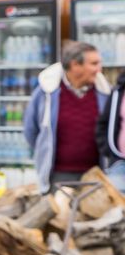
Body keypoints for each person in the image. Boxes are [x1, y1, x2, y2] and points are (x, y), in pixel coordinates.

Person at [23, 41, 110, 193]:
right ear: (75, 65)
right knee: (61, 216)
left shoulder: (104, 93)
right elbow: (31, 131)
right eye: (94, 64)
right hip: (58, 177)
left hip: (96, 176)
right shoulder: (46, 92)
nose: (99, 69)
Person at [95, 68, 125, 192]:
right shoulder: (119, 90)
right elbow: (104, 123)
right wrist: (108, 150)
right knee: (116, 207)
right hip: (119, 164)